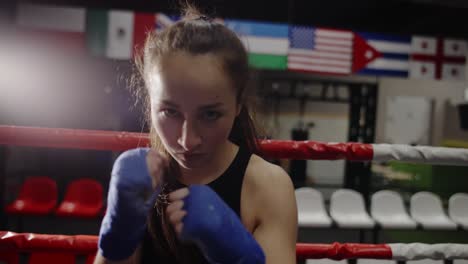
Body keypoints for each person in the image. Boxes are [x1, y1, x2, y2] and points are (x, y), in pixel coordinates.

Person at [94, 5, 297, 264]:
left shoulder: (267, 186)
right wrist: (120, 232)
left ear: (238, 105)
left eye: (210, 115)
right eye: (170, 112)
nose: (187, 140)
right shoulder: (142, 177)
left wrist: (241, 257)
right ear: (150, 102)